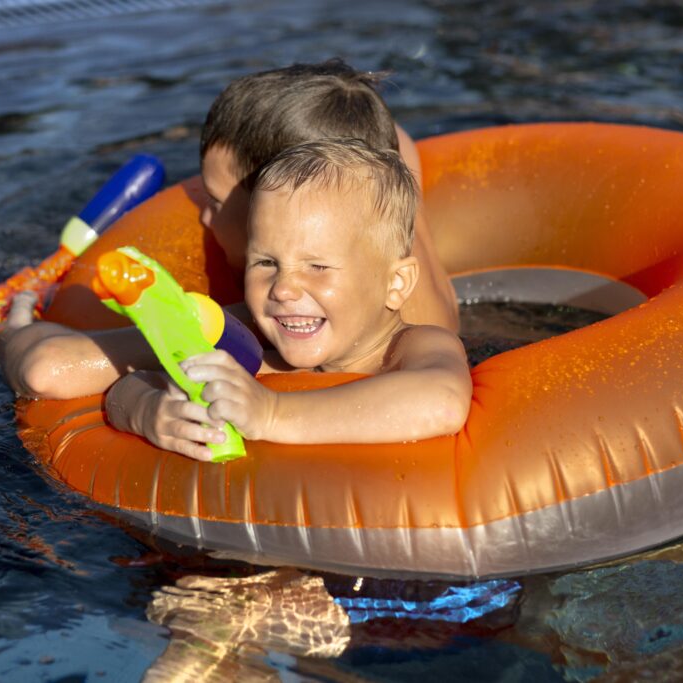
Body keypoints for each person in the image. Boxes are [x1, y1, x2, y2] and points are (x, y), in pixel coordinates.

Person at [0, 59, 458, 400]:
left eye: (217, 202)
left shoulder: (257, 328)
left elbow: (46, 370)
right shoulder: (393, 185)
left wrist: (12, 331)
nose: (203, 216)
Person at [104, 138, 471, 459]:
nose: (283, 288)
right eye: (265, 262)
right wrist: (148, 411)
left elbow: (443, 401)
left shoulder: (414, 347)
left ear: (396, 283)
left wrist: (271, 413)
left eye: (317, 266)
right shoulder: (262, 361)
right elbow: (128, 385)